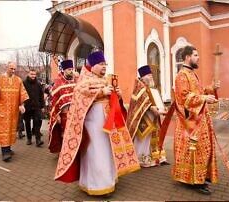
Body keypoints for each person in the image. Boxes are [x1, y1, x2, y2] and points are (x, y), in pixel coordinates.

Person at [54, 50, 140, 196]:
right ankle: (97, 186)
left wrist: (117, 95)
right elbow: (79, 98)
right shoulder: (84, 81)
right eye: (101, 64)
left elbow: (113, 99)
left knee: (107, 151)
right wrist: (100, 93)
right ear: (92, 65)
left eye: (105, 64)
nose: (104, 67)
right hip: (93, 124)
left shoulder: (106, 79)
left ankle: (109, 180)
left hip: (108, 123)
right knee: (96, 152)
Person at [172, 45, 220, 195]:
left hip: (200, 119)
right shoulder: (181, 75)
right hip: (190, 123)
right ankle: (194, 181)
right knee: (195, 151)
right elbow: (184, 97)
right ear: (187, 57)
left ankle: (200, 177)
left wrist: (210, 88)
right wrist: (205, 97)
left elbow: (198, 92)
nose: (198, 58)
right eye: (195, 55)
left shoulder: (192, 74)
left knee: (203, 150)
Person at [126, 65, 168, 167]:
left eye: (151, 75)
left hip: (153, 118)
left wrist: (161, 107)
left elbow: (154, 101)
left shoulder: (151, 88)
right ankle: (143, 159)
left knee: (154, 138)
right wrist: (151, 107)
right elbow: (141, 101)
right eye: (149, 75)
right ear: (143, 77)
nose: (151, 77)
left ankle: (157, 158)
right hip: (143, 118)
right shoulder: (139, 87)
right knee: (144, 139)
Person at [0, 61, 29, 162]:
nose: (13, 71)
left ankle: (8, 149)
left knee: (11, 130)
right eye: (11, 69)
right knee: (3, 130)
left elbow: (22, 93)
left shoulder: (18, 80)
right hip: (2, 111)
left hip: (13, 111)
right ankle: (5, 152)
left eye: (15, 69)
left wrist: (22, 105)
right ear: (7, 67)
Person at [48, 59, 79, 153]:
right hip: (64, 114)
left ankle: (75, 152)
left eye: (72, 69)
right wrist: (56, 115)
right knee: (65, 134)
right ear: (64, 70)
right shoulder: (58, 82)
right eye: (69, 69)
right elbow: (54, 100)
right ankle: (65, 152)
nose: (71, 71)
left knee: (76, 133)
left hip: (76, 113)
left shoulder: (76, 81)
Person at [22, 69, 45, 147]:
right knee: (27, 123)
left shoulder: (38, 84)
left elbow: (41, 96)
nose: (33, 76)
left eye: (34, 74)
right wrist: (22, 105)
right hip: (27, 107)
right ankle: (29, 138)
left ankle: (38, 140)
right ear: (28, 74)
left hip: (36, 106)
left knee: (37, 123)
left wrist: (42, 106)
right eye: (31, 74)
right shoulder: (24, 83)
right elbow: (21, 94)